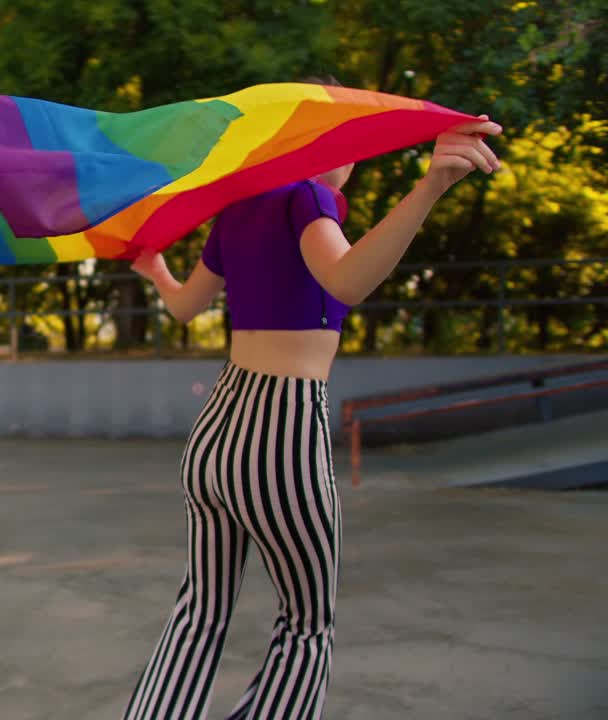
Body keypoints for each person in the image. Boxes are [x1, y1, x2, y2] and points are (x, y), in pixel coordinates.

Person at [123, 94, 503, 719]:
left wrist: (156, 269)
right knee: (306, 625)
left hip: (214, 436)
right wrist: (431, 186)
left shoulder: (239, 211)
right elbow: (347, 279)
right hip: (281, 431)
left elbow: (186, 307)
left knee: (200, 611)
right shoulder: (309, 196)